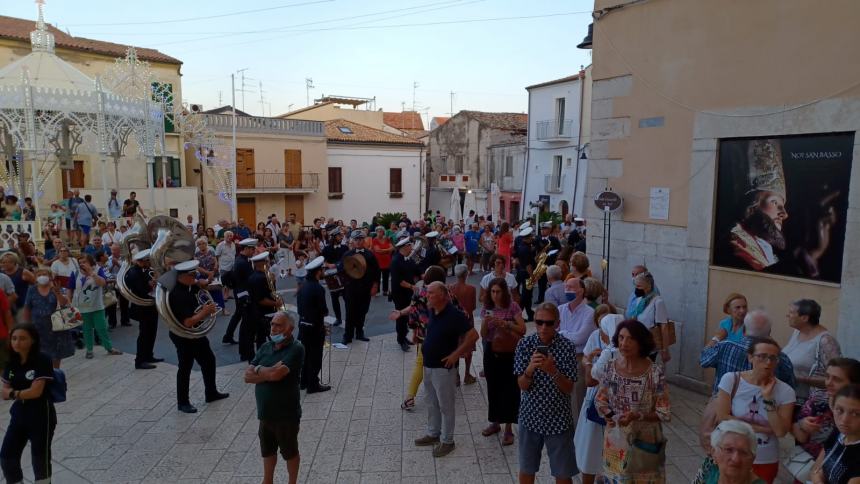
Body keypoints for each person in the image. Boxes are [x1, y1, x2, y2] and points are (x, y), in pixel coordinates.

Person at [595, 319, 671, 483]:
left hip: (645, 444)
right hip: (616, 441)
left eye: (631, 339)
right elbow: (600, 399)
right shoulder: (610, 368)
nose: (624, 343)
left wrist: (638, 416)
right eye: (621, 338)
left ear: (641, 342)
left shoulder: (655, 373)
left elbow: (664, 412)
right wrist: (608, 413)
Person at [413, 281, 479, 458]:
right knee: (431, 402)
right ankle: (434, 433)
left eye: (431, 293)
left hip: (443, 369)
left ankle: (448, 440)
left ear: (443, 295)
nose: (428, 295)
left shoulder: (454, 314)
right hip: (429, 365)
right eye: (428, 293)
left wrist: (456, 354)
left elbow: (473, 335)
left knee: (446, 406)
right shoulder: (433, 310)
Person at [715, 337, 795, 483]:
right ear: (750, 357)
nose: (768, 362)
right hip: (731, 454)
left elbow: (780, 431)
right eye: (762, 356)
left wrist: (768, 397)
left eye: (773, 358)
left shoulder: (786, 391)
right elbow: (722, 417)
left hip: (764, 458)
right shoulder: (731, 380)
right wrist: (763, 428)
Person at [514, 302, 578, 484]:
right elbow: (522, 385)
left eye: (549, 323)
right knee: (527, 468)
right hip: (530, 417)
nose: (543, 327)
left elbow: (569, 388)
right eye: (539, 322)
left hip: (558, 419)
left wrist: (552, 371)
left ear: (557, 323)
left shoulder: (567, 347)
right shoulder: (525, 345)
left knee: (563, 473)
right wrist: (529, 370)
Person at [244, 312, 304, 484]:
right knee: (267, 451)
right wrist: (265, 371)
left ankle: (292, 482)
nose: (274, 328)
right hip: (265, 413)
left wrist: (260, 370)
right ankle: (267, 481)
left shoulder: (296, 348)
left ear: (290, 329)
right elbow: (247, 376)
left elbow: (278, 375)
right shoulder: (265, 347)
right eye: (272, 324)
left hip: (286, 414)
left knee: (289, 452)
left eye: (279, 325)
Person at [166, 260, 229, 413]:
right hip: (183, 334)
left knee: (208, 360)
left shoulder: (189, 286)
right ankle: (183, 402)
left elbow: (202, 291)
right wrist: (205, 312)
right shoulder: (177, 294)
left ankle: (211, 392)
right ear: (182, 276)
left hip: (195, 333)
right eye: (193, 274)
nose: (196, 277)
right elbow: (188, 322)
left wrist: (203, 284)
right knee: (185, 367)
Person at [0, 323, 56, 484]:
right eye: (14, 338)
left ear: (33, 340)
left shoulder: (42, 359)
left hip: (41, 415)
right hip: (18, 414)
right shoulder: (11, 361)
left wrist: (13, 393)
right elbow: (4, 392)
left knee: (40, 459)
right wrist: (16, 394)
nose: (17, 343)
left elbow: (36, 392)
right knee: (7, 456)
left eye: (22, 338)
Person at [392, 266, 453, 411]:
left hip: (425, 335)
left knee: (420, 364)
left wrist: (412, 329)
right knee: (444, 364)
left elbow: (413, 313)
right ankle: (444, 394)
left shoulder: (419, 293)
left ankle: (410, 397)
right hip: (444, 336)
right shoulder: (447, 293)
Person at [792, 358, 860, 482]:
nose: (828, 383)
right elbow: (816, 470)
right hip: (806, 463)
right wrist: (802, 425)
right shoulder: (819, 400)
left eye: (837, 379)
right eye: (827, 377)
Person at [700, 310, 796, 395]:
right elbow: (790, 389)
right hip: (763, 412)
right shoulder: (782, 359)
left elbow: (703, 360)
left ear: (744, 329)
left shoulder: (724, 347)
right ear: (769, 332)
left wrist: (716, 338)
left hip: (722, 407)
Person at [574, 312, 622, 484]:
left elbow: (590, 380)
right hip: (623, 408)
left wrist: (588, 362)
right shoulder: (632, 352)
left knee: (591, 450)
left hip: (600, 406)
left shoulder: (609, 353)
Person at [480, 277, 525, 446]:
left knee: (511, 389)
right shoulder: (487, 308)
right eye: (492, 292)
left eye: (498, 291)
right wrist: (486, 322)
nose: (495, 295)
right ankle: (495, 421)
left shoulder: (512, 307)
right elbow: (484, 335)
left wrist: (506, 324)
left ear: (504, 292)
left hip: (510, 353)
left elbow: (522, 329)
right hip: (492, 351)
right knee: (493, 387)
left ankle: (508, 427)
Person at [784, 298, 841, 404]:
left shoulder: (826, 341)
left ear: (804, 318)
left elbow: (839, 378)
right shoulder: (797, 332)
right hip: (790, 397)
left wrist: (801, 378)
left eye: (791, 313)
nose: (787, 315)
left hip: (810, 403)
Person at [558, 276, 594, 430]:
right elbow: (554, 333)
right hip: (562, 357)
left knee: (577, 397)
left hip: (579, 359)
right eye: (566, 287)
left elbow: (580, 338)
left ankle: (578, 430)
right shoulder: (560, 309)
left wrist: (562, 333)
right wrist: (566, 335)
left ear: (582, 291)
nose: (568, 290)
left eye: (572, 287)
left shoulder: (589, 313)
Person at [69, 254, 121, 359]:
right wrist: (69, 303)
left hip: (97, 305)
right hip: (81, 307)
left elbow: (102, 283)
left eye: (84, 262)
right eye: (80, 263)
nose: (82, 264)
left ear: (90, 262)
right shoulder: (75, 273)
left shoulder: (98, 270)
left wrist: (91, 273)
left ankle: (109, 348)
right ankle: (89, 350)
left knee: (101, 328)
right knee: (87, 329)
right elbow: (70, 289)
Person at [22, 269, 72, 369]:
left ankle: (55, 372)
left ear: (50, 276)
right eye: (39, 274)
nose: (42, 276)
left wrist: (57, 293)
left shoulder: (56, 287)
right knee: (39, 351)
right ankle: (43, 372)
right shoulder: (32, 289)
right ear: (35, 278)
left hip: (56, 326)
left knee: (56, 352)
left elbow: (64, 303)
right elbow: (27, 308)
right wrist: (26, 326)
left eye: (44, 274)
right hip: (38, 327)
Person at [811, 384, 860, 484]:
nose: (844, 420)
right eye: (839, 410)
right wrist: (817, 478)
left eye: (856, 414)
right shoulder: (839, 433)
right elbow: (816, 468)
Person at [296, 256, 330, 393]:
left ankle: (303, 381)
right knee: (315, 356)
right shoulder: (318, 288)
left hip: (303, 324)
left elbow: (299, 308)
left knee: (306, 355)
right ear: (318, 271)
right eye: (322, 269)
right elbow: (323, 311)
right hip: (315, 327)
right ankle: (313, 384)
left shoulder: (303, 285)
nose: (323, 272)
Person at [339, 231, 380, 345]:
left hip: (365, 288)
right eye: (356, 239)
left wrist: (375, 286)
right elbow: (341, 271)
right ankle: (347, 336)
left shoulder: (370, 255)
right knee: (350, 312)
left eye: (360, 239)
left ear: (364, 240)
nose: (358, 241)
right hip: (351, 289)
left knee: (362, 311)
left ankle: (359, 333)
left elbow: (377, 272)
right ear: (352, 241)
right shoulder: (347, 255)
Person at [125, 249, 163, 370]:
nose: (150, 263)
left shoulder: (145, 270)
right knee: (144, 334)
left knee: (152, 332)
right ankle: (140, 360)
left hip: (150, 305)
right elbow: (140, 289)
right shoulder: (133, 272)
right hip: (142, 307)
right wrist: (150, 284)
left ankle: (149, 355)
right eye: (148, 261)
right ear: (143, 261)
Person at [695, 420, 767, 484]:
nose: (735, 459)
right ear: (714, 452)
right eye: (728, 450)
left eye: (743, 452)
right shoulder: (709, 468)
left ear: (752, 458)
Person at [627, 271, 671, 363]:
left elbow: (664, 326)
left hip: (649, 345)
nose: (636, 289)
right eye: (636, 286)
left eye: (639, 286)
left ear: (648, 286)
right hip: (637, 343)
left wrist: (665, 349)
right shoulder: (640, 299)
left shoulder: (658, 302)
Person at [247, 252, 281, 358]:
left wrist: (273, 281)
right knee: (274, 337)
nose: (268, 262)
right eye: (266, 261)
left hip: (259, 312)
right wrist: (276, 303)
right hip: (265, 313)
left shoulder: (258, 275)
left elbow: (271, 291)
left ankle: (262, 358)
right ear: (261, 263)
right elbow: (261, 300)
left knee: (262, 338)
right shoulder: (260, 278)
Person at [223, 238, 256, 348]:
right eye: (252, 249)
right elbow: (250, 278)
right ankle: (245, 339)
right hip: (243, 292)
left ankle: (228, 335)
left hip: (240, 291)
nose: (254, 251)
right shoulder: (242, 262)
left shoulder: (242, 259)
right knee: (245, 316)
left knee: (238, 314)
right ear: (246, 248)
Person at [448, 264, 477, 385]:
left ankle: (456, 376)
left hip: (454, 322)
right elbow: (473, 307)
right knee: (468, 347)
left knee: (455, 347)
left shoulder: (450, 288)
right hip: (467, 321)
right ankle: (467, 374)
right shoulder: (471, 289)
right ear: (466, 274)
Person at [389, 237, 418, 352]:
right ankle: (401, 340)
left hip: (408, 293)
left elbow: (415, 270)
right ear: (404, 247)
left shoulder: (407, 259)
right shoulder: (396, 261)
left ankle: (404, 337)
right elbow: (399, 281)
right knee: (400, 316)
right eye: (410, 246)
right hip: (400, 293)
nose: (411, 248)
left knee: (406, 316)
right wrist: (412, 286)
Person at [322, 231, 348, 326]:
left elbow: (347, 260)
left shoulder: (345, 248)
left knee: (347, 298)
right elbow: (322, 260)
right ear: (333, 237)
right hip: (332, 277)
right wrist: (327, 265)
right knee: (334, 299)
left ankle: (349, 317)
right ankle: (338, 318)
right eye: (338, 236)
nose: (341, 237)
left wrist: (336, 265)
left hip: (343, 275)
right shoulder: (327, 249)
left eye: (341, 235)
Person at [514, 227, 537, 321]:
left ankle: (530, 314)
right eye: (531, 236)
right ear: (527, 238)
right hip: (526, 274)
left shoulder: (521, 246)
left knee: (527, 295)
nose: (532, 238)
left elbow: (518, 260)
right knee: (526, 295)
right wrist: (532, 277)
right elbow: (528, 265)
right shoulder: (526, 249)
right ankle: (518, 315)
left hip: (521, 272)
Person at [536, 222, 561, 303]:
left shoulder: (553, 239)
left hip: (551, 264)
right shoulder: (538, 239)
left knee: (552, 282)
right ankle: (540, 299)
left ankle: (552, 298)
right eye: (542, 229)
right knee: (541, 283)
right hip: (541, 264)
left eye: (545, 229)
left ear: (549, 230)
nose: (542, 231)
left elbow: (559, 250)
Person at [215, 230, 236, 305]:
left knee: (229, 281)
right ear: (224, 237)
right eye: (228, 236)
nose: (229, 237)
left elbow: (233, 254)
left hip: (232, 265)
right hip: (223, 265)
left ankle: (228, 294)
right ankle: (224, 296)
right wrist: (217, 264)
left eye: (231, 236)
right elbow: (216, 255)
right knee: (223, 281)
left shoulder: (233, 244)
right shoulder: (220, 245)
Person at [371, 226, 394, 297]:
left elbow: (392, 248)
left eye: (380, 231)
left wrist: (383, 251)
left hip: (387, 261)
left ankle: (385, 290)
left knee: (386, 276)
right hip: (377, 261)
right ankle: (377, 291)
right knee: (377, 277)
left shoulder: (387, 239)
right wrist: (387, 250)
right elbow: (377, 250)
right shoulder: (375, 240)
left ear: (383, 232)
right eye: (377, 231)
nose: (379, 233)